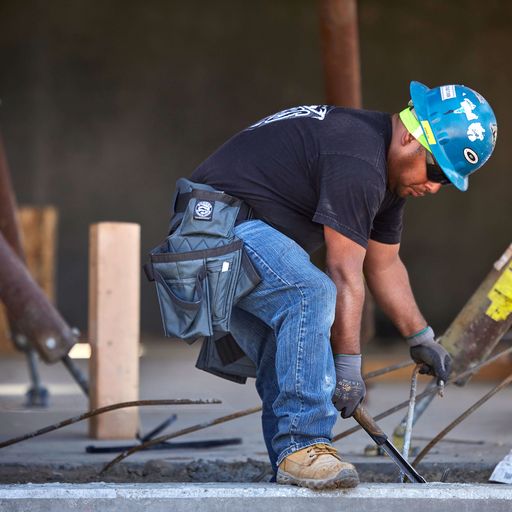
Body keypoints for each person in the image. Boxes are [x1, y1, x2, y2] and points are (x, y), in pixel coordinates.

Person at [182, 81, 497, 489]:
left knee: (295, 351)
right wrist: (348, 369)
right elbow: (345, 272)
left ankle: (293, 463)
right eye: (436, 170)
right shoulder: (357, 157)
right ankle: (305, 444)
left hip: (223, 232)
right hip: (211, 229)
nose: (435, 186)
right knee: (309, 294)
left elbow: (384, 264)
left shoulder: (386, 178)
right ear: (409, 136)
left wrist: (420, 336)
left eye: (448, 181)